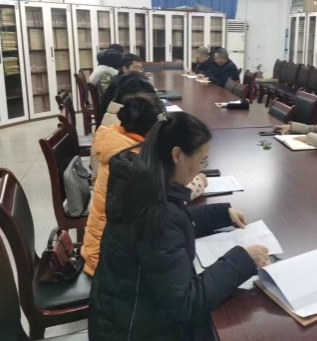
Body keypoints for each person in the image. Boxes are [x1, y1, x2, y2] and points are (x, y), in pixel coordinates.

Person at [89, 112, 269, 340]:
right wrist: (243, 260)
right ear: (177, 155)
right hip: (135, 330)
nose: (201, 168)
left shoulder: (141, 181)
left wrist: (221, 215)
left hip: (119, 314)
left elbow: (172, 224)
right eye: (202, 160)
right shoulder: (157, 212)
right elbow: (186, 302)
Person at [82, 95, 209, 277]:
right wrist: (199, 182)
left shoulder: (116, 140)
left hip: (104, 246)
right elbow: (166, 204)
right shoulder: (136, 160)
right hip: (108, 263)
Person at [98, 58, 148, 128]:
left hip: (113, 122)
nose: (139, 71)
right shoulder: (123, 83)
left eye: (141, 69)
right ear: (125, 69)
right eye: (136, 68)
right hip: (114, 124)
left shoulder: (121, 79)